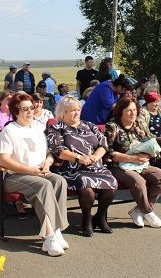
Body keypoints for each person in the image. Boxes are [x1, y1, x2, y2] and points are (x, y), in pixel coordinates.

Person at [0, 92, 70, 257]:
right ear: (16, 111)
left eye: (31, 108)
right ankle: (49, 236)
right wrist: (31, 170)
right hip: (15, 177)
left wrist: (48, 163)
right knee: (43, 185)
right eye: (25, 109)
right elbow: (4, 161)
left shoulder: (37, 128)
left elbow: (49, 153)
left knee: (59, 181)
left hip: (39, 171)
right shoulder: (8, 131)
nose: (30, 112)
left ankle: (57, 231)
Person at [47, 96, 117, 236]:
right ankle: (87, 219)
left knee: (112, 184)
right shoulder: (56, 127)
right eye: (72, 110)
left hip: (96, 166)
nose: (77, 112)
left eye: (78, 109)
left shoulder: (89, 125)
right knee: (86, 188)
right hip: (72, 169)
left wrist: (95, 157)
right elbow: (58, 150)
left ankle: (101, 216)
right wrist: (79, 158)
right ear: (63, 112)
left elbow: (103, 144)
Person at [105, 98, 161, 228]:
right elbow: (108, 152)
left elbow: (150, 141)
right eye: (129, 110)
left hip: (141, 163)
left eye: (134, 109)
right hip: (119, 165)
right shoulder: (112, 126)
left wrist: (148, 154)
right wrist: (132, 159)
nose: (133, 113)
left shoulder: (139, 124)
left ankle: (138, 210)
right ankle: (148, 211)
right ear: (120, 111)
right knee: (139, 182)